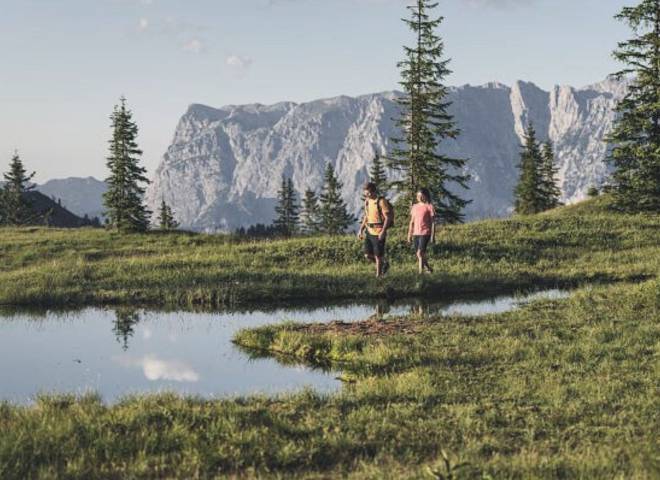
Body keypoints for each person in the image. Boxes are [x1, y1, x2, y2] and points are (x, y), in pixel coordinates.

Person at [358, 182, 393, 277]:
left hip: (379, 232)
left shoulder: (381, 201)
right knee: (367, 255)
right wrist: (361, 229)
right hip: (369, 231)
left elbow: (388, 218)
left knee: (378, 255)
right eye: (365, 193)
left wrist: (383, 231)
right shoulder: (367, 201)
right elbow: (366, 216)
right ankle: (384, 264)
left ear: (374, 191)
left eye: (368, 193)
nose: (367, 195)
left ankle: (378, 276)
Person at [407, 188, 436, 274]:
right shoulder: (414, 207)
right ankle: (429, 269)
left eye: (420, 196)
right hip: (416, 233)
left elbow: (433, 222)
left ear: (425, 196)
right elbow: (411, 222)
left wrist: (433, 236)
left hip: (425, 232)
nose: (418, 197)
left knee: (420, 253)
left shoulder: (429, 206)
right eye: (417, 196)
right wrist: (409, 234)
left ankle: (420, 273)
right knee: (419, 254)